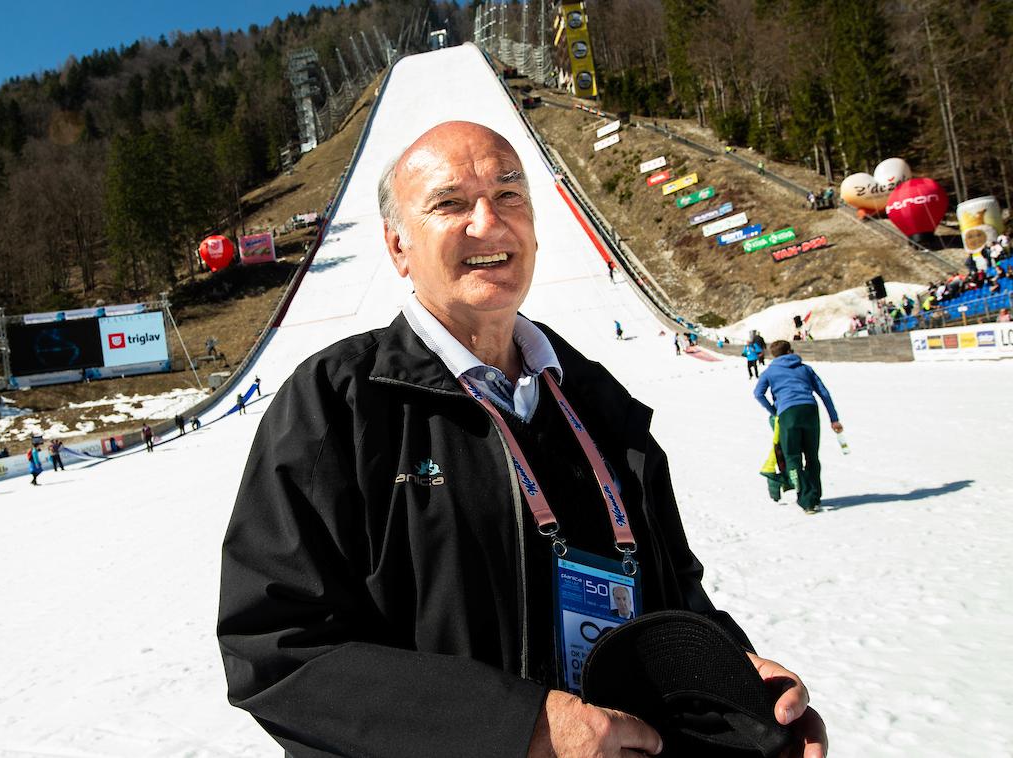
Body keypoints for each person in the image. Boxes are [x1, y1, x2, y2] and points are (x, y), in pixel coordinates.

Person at [218, 121, 826, 758]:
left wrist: (738, 687)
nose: (489, 223)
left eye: (510, 195)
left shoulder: (596, 400)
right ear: (399, 247)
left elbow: (673, 593)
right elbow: (276, 648)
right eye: (450, 203)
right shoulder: (336, 405)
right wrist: (516, 728)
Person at [753, 340, 843, 514]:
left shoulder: (769, 372)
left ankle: (805, 499)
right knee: (812, 456)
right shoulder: (805, 368)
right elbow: (823, 392)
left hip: (787, 414)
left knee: (793, 457)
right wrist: (834, 419)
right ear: (790, 351)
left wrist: (774, 411)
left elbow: (758, 394)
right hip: (810, 410)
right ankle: (814, 496)